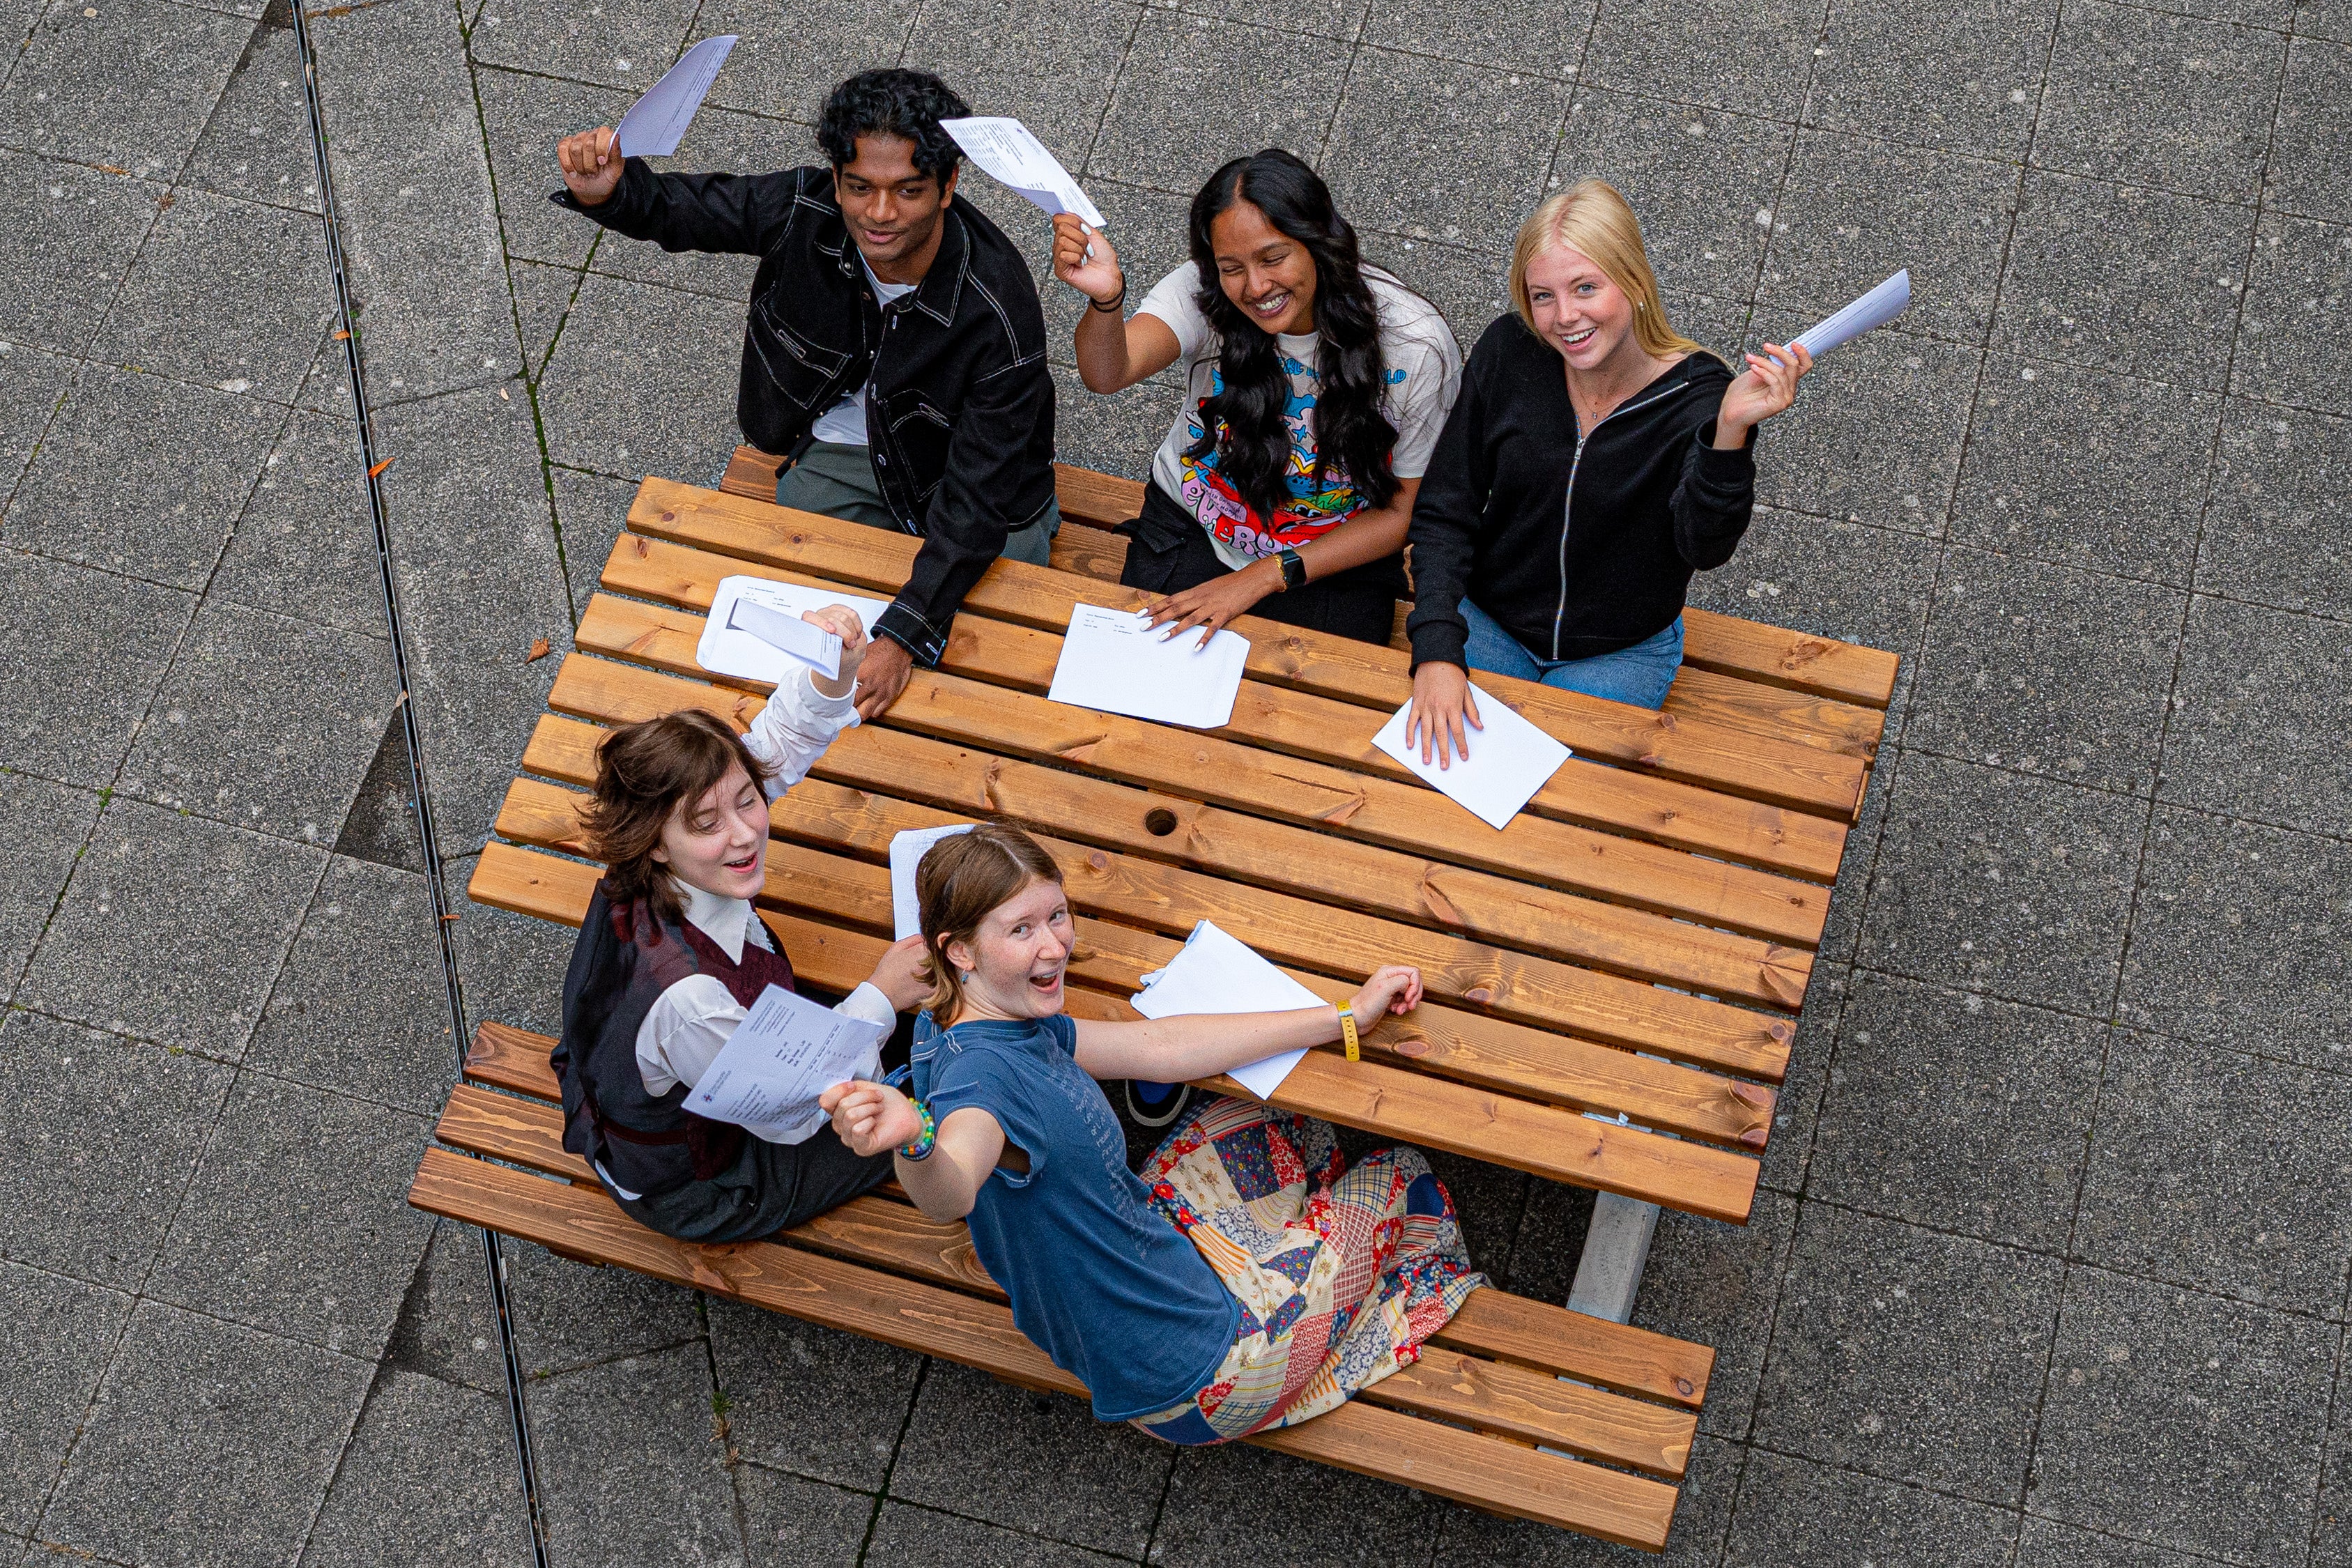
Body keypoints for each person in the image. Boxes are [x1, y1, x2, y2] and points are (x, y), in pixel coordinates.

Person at [819, 824, 1485, 1443]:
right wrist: (914, 1139)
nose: (1054, 945)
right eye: (1020, 929)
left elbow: (1158, 1046)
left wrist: (1342, 1016)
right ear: (957, 949)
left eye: (1056, 915)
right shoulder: (985, 1090)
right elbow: (951, 1189)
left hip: (1132, 1310)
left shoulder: (964, 1016)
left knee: (1277, 1120)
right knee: (1402, 1175)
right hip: (1203, 1378)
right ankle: (1310, 1311)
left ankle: (1298, 1260)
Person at [552, 69, 1060, 721]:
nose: (879, 214)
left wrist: (903, 634)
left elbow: (980, 494)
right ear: (836, 177)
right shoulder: (806, 207)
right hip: (847, 455)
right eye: (859, 188)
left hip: (968, 486)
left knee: (992, 655)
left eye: (907, 191)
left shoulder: (998, 306)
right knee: (797, 619)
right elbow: (694, 209)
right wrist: (612, 193)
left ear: (949, 185)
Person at [554, 604, 933, 1243]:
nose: (744, 834)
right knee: (927, 1107)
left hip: (669, 1067)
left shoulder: (648, 864)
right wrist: (880, 994)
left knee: (911, 1027)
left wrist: (833, 674)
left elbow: (773, 749)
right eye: (706, 825)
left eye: (747, 802)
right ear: (655, 841)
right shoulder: (692, 1001)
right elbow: (793, 1105)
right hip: (701, 1183)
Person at [1403, 180, 1811, 760]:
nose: (1564, 317)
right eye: (1542, 296)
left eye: (1585, 288)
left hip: (1620, 652)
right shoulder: (1508, 352)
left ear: (1635, 281)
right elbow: (1447, 505)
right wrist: (1439, 649)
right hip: (1487, 623)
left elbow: (1704, 547)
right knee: (1440, 787)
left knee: (1557, 814)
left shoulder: (1701, 398)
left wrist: (1728, 435)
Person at [1050, 148, 1461, 648]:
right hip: (1194, 524)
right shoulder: (1202, 292)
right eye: (1231, 267)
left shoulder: (1415, 346)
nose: (1255, 286)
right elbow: (1107, 373)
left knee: (1312, 712)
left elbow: (1398, 514)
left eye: (1273, 257)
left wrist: (1261, 577)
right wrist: (1105, 299)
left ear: (1318, 242)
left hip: (1333, 555)